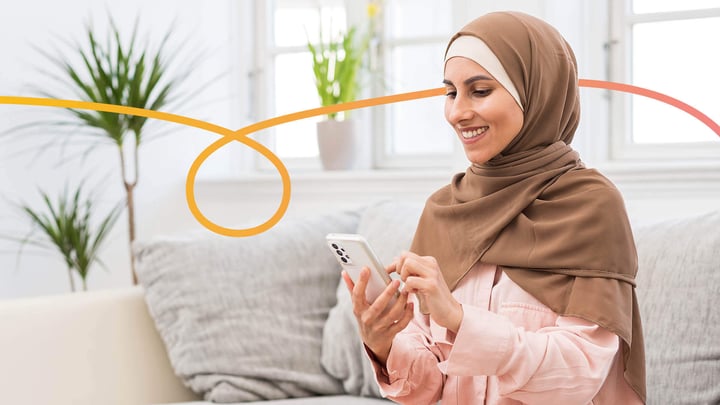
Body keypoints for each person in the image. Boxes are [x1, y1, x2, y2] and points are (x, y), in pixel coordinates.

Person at [342, 11, 646, 404]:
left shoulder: (590, 206)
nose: (457, 112)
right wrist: (384, 344)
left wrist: (458, 320)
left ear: (537, 93)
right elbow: (430, 388)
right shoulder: (443, 210)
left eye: (480, 90)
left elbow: (578, 373)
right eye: (451, 92)